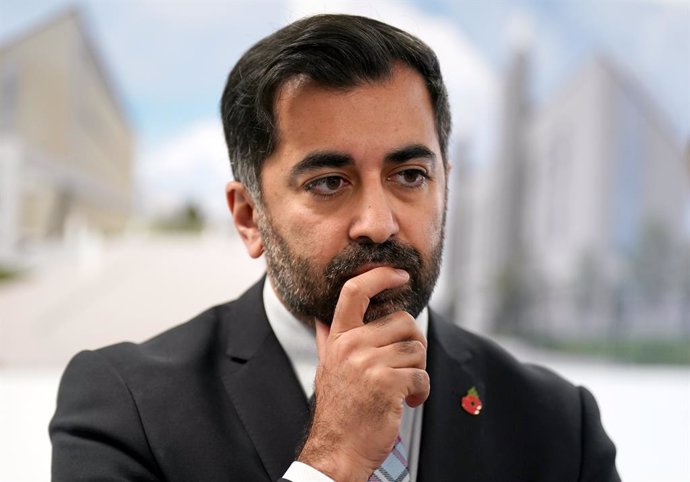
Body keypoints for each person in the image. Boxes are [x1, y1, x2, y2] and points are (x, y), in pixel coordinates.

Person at [50, 14, 620, 482]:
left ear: (445, 182)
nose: (378, 222)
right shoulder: (124, 408)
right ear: (249, 217)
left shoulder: (557, 426)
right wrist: (331, 462)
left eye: (410, 175)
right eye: (329, 182)